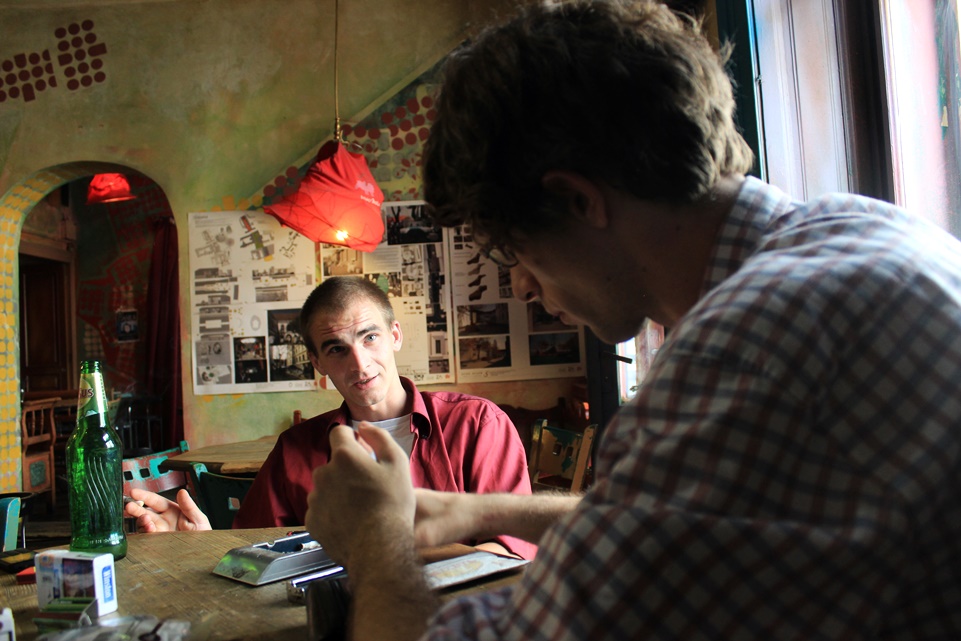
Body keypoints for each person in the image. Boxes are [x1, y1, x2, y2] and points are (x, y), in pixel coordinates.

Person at [304, 1, 961, 640]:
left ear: (577, 200)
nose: (524, 285)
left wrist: (375, 539)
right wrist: (475, 509)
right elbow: (673, 525)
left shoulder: (736, 354)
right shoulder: (855, 225)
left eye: (514, 251)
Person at [125, 276, 536, 559]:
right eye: (337, 349)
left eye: (369, 337)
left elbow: (511, 548)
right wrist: (201, 543)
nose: (360, 363)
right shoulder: (294, 449)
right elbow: (255, 551)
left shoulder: (477, 424)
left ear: (394, 335)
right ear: (318, 362)